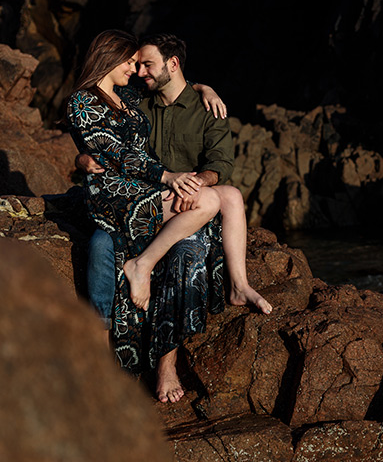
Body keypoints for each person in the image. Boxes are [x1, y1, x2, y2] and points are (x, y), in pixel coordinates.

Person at [67, 30, 266, 403]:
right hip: (139, 194)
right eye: (133, 62)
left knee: (214, 214)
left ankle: (168, 365)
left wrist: (201, 88)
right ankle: (101, 342)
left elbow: (220, 162)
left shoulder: (192, 105)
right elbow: (108, 146)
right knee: (100, 244)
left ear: (172, 65)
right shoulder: (132, 99)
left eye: (144, 64)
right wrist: (82, 158)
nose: (138, 70)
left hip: (171, 198)